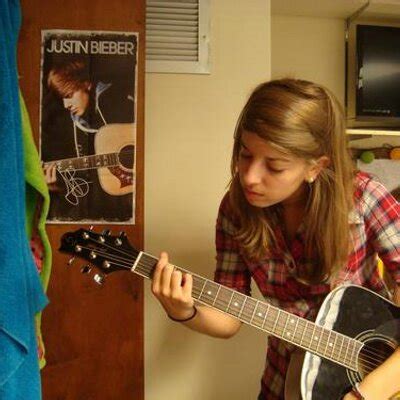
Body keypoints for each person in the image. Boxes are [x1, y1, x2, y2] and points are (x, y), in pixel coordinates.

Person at [150, 79, 400, 399]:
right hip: (284, 382)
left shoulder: (364, 197)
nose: (250, 177)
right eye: (245, 155)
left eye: (275, 165)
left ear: (315, 167)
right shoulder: (235, 211)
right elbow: (230, 316)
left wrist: (366, 393)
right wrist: (183, 311)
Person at [41, 59, 135, 221]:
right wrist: (56, 186)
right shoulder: (76, 127)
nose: (66, 105)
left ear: (87, 84)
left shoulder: (120, 99)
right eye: (62, 98)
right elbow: (85, 187)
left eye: (69, 95)